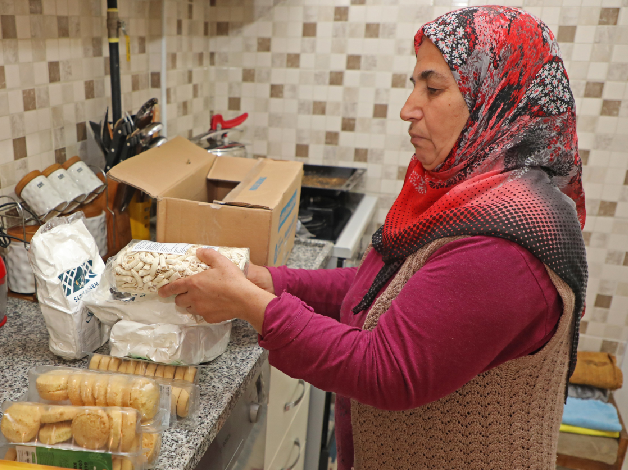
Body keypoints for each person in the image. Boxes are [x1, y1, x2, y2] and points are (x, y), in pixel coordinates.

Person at [159, 6, 587, 469]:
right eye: (414, 85)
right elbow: (390, 288)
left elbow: (386, 370)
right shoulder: (473, 194)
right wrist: (270, 281)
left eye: (433, 88)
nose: (408, 109)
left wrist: (252, 305)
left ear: (498, 99)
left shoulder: (503, 247)